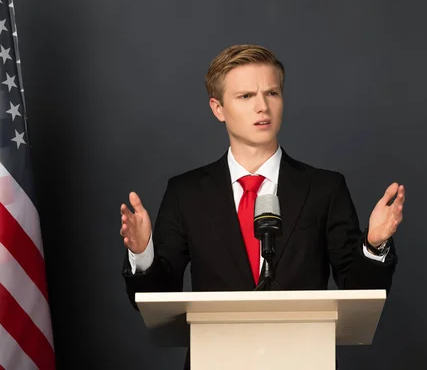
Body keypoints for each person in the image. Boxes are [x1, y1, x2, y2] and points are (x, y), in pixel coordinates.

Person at [120, 44, 404, 366]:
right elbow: (159, 299)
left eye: (272, 93)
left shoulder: (325, 188)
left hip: (302, 359)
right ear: (218, 108)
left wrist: (374, 244)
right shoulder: (186, 193)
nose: (262, 107)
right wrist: (142, 253)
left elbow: (357, 291)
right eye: (245, 96)